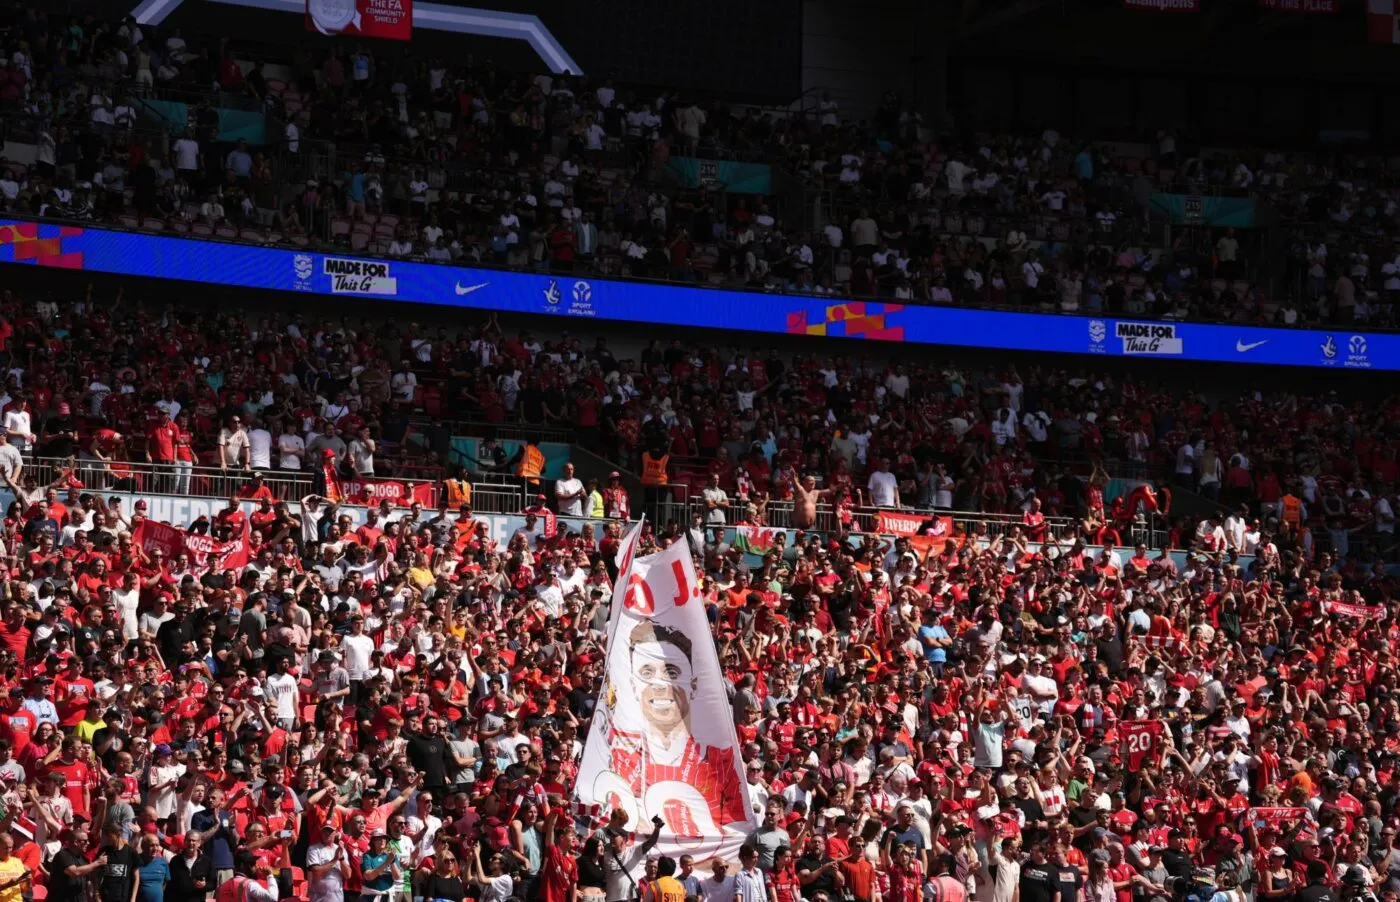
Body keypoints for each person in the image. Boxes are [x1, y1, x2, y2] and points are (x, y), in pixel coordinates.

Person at [606, 622, 748, 834]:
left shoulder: (722, 762)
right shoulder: (617, 758)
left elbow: (738, 837)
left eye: (672, 673)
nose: (660, 684)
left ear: (693, 685)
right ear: (633, 686)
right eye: (646, 673)